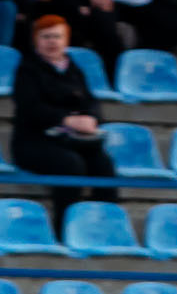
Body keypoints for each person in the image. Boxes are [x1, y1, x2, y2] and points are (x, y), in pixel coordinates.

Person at [10, 15, 119, 218]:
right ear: (36, 40)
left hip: (72, 140)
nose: (52, 42)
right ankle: (66, 227)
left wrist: (93, 119)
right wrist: (66, 119)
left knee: (104, 164)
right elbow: (30, 108)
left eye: (57, 37)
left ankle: (104, 223)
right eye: (46, 36)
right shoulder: (27, 70)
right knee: (71, 164)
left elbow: (91, 101)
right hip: (34, 142)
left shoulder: (74, 69)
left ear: (66, 40)